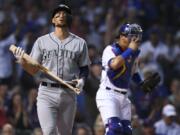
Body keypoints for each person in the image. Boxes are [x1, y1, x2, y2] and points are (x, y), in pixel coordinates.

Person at [13, 4, 90, 135]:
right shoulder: (41, 41)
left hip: (68, 92)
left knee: (64, 133)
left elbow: (84, 67)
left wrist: (82, 80)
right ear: (52, 20)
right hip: (46, 92)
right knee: (49, 132)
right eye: (58, 14)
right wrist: (22, 62)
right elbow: (33, 70)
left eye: (64, 14)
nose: (61, 16)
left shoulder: (80, 43)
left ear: (69, 18)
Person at [96, 23, 143, 135]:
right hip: (108, 94)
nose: (135, 40)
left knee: (127, 131)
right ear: (122, 36)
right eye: (132, 36)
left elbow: (134, 73)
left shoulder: (134, 53)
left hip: (124, 96)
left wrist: (142, 84)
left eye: (136, 36)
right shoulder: (110, 49)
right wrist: (130, 50)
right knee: (114, 128)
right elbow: (115, 64)